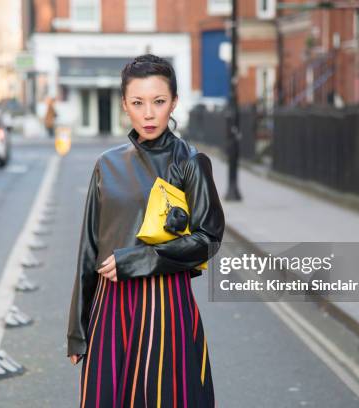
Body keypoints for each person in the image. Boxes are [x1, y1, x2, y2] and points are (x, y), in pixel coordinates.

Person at [66, 54, 225, 407]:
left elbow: (208, 239)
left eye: (159, 102)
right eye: (138, 103)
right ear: (125, 104)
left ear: (174, 103)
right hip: (110, 307)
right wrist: (78, 330)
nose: (149, 114)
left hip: (166, 305)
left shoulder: (189, 161)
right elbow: (89, 248)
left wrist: (140, 259)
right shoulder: (106, 164)